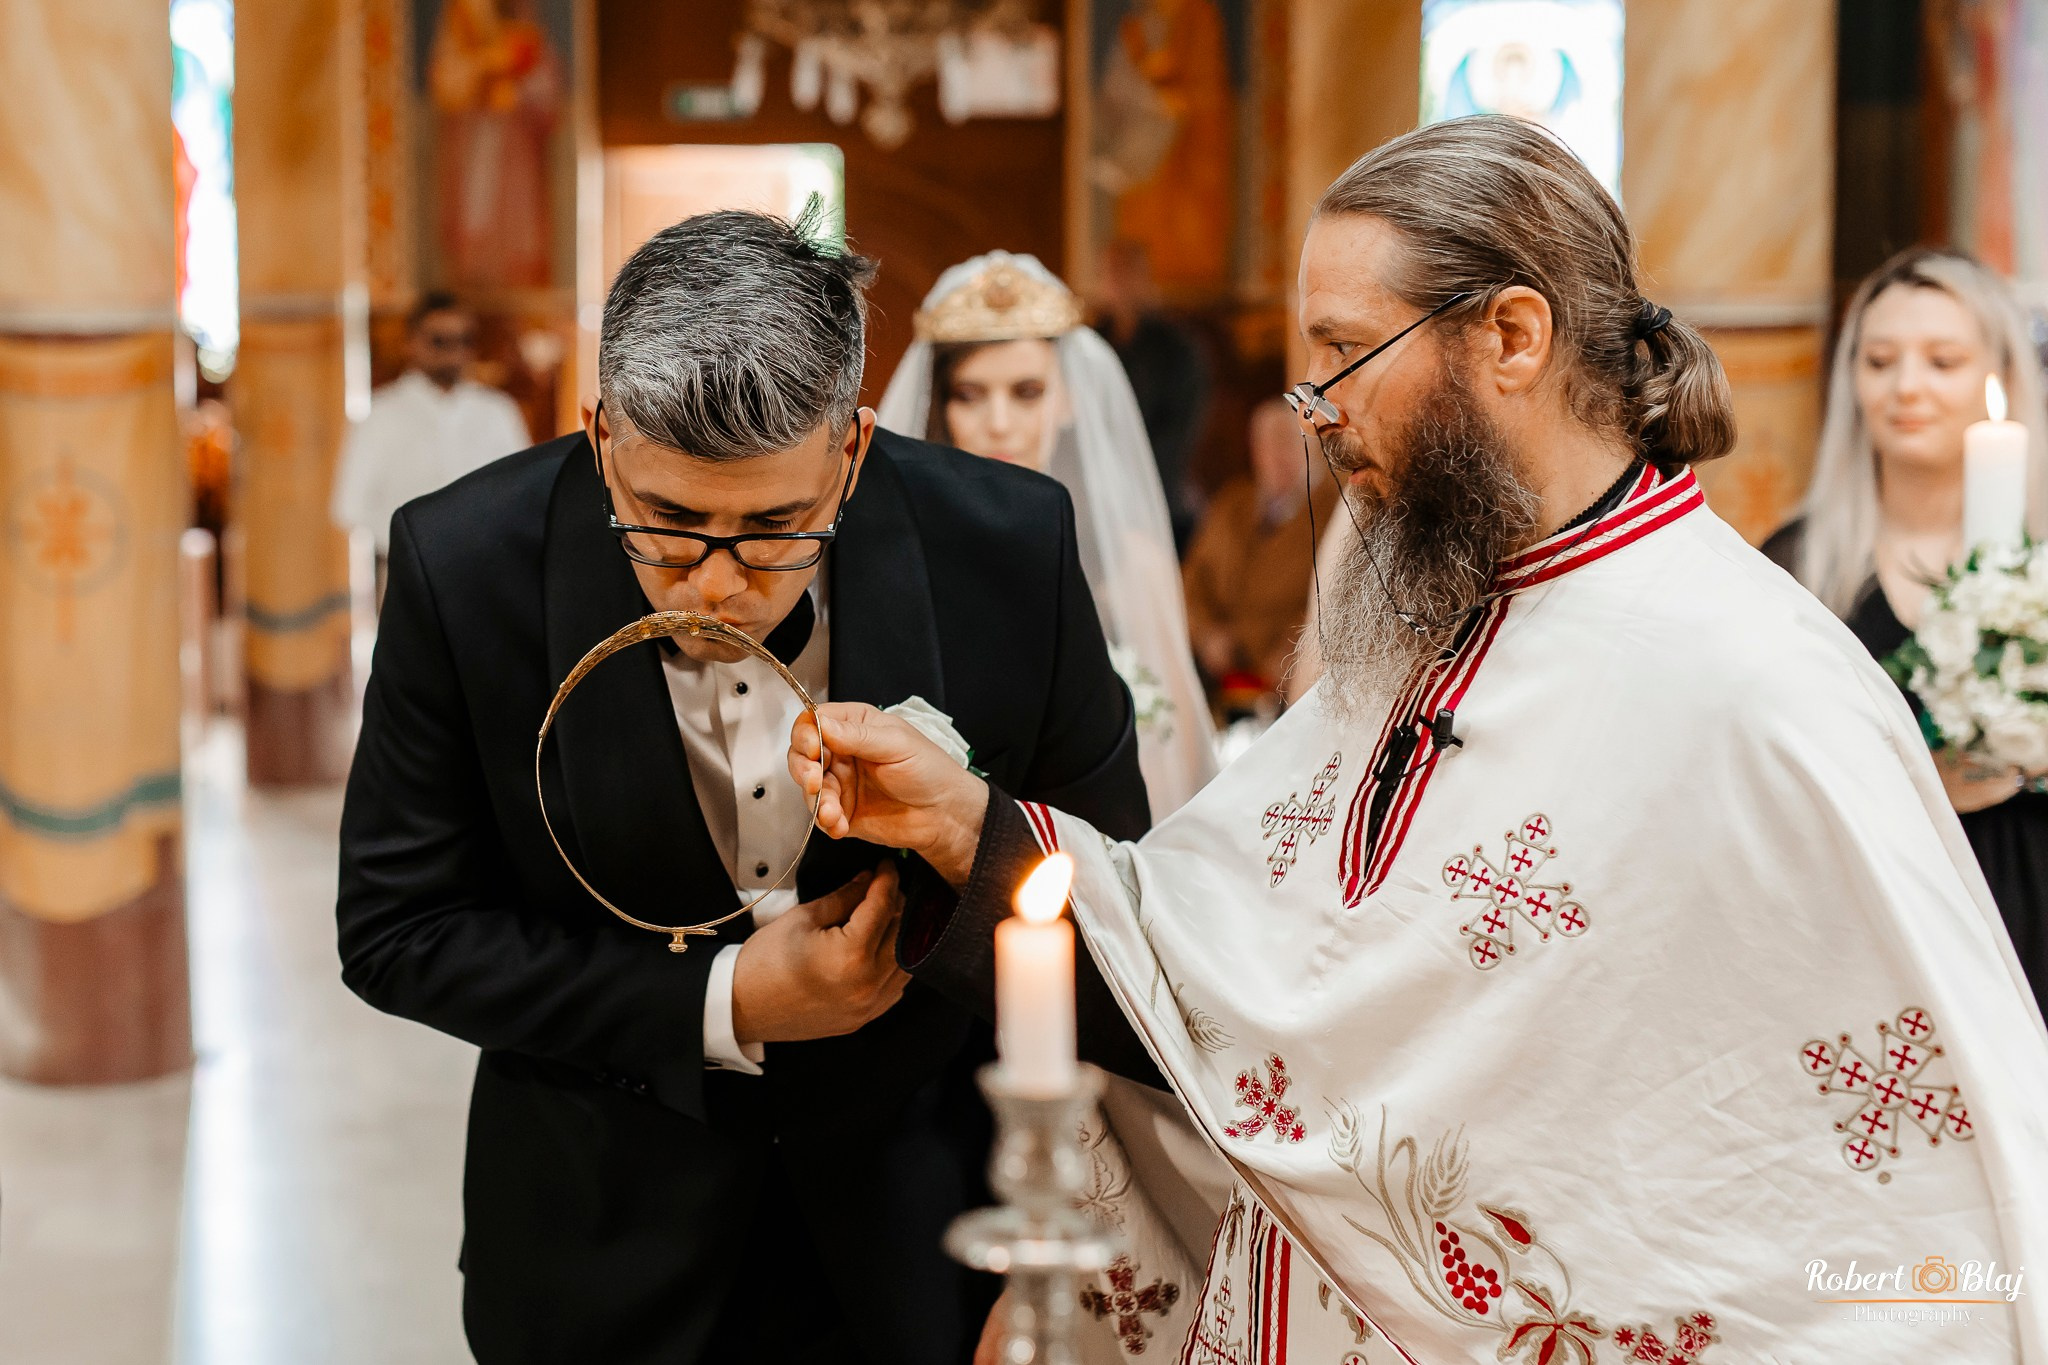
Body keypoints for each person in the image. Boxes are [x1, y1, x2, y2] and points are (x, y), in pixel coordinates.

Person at [793, 117, 2048, 1362]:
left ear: (1510, 333)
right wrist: (964, 824)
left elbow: (1864, 1180)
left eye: (1343, 355)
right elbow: (1240, 977)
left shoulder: (1751, 684)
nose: (1315, 410)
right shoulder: (1431, 606)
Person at [334, 209, 1150, 1365]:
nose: (717, 586)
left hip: (927, 1238)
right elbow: (396, 930)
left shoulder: (1008, 547)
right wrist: (723, 1004)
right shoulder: (460, 564)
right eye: (667, 524)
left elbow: (1112, 899)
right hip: (597, 1241)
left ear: (852, 452)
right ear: (600, 432)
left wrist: (966, 832)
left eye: (775, 529)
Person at [1764, 247, 2048, 1020]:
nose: (1907, 387)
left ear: (2000, 379)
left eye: (1944, 361)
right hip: (1874, 912)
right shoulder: (1798, 566)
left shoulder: (2041, 560)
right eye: (1880, 361)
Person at [878, 251, 1217, 815]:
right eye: (969, 394)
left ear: (1068, 398)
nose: (1000, 423)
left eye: (1027, 391)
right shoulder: (899, 558)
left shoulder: (1131, 559)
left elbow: (1177, 751)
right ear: (940, 402)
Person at [330, 291, 531, 603]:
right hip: (408, 579)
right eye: (439, 340)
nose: (454, 351)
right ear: (410, 343)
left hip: (486, 576)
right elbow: (349, 505)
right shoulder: (380, 416)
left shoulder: (497, 412)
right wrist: (416, 546)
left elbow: (522, 495)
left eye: (464, 340)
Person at [1182, 396, 1339, 710]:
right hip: (1220, 682)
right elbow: (1192, 581)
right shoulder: (1232, 503)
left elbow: (1333, 597)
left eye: (1284, 443)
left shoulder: (1334, 511)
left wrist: (1293, 654)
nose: (1272, 456)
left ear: (1310, 448)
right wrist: (1207, 634)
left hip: (1295, 687)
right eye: (1263, 445)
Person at [1096, 238, 1210, 552]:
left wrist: (1130, 483)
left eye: (1126, 271)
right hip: (1097, 484)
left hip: (1157, 486)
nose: (1117, 281)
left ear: (1145, 278)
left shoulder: (1178, 348)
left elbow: (1180, 429)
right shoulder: (1091, 343)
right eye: (1109, 272)